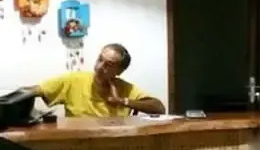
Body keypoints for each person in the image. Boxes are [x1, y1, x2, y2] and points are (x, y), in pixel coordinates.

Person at [28, 43, 165, 118]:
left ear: (119, 71)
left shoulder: (125, 88)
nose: (100, 67)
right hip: (78, 141)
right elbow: (31, 91)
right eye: (100, 59)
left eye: (108, 65)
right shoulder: (73, 80)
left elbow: (159, 108)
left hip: (113, 144)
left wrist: (122, 101)